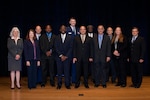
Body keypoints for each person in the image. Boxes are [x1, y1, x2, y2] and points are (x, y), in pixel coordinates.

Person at [55, 25, 73, 89]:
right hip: (59, 57)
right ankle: (59, 84)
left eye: (64, 28)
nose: (63, 29)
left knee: (67, 71)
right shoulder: (56, 37)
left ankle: (67, 84)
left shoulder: (70, 37)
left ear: (66, 29)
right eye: (61, 28)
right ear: (60, 30)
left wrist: (66, 56)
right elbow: (56, 47)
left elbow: (71, 48)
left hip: (67, 58)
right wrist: (61, 55)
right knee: (59, 72)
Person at [66, 17, 79, 84]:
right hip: (68, 51)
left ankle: (74, 80)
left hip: (76, 51)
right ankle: (68, 80)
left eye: (74, 21)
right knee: (68, 67)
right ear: (69, 22)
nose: (73, 22)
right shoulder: (66, 29)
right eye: (72, 21)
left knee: (75, 66)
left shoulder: (78, 29)